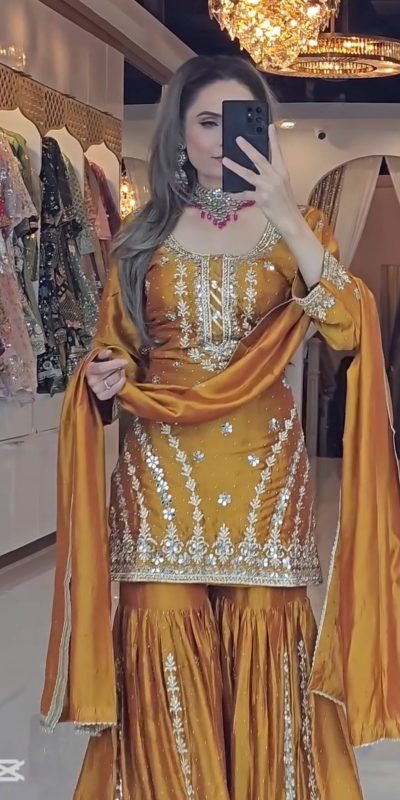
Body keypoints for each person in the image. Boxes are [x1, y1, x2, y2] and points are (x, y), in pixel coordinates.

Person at [41, 56, 400, 800]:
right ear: (179, 133)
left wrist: (284, 213)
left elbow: (347, 328)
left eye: (241, 122)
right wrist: (106, 375)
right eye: (207, 121)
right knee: (163, 640)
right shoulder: (141, 236)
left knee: (267, 637)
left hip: (265, 473)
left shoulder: (301, 230)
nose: (223, 139)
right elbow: (115, 348)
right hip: (162, 474)